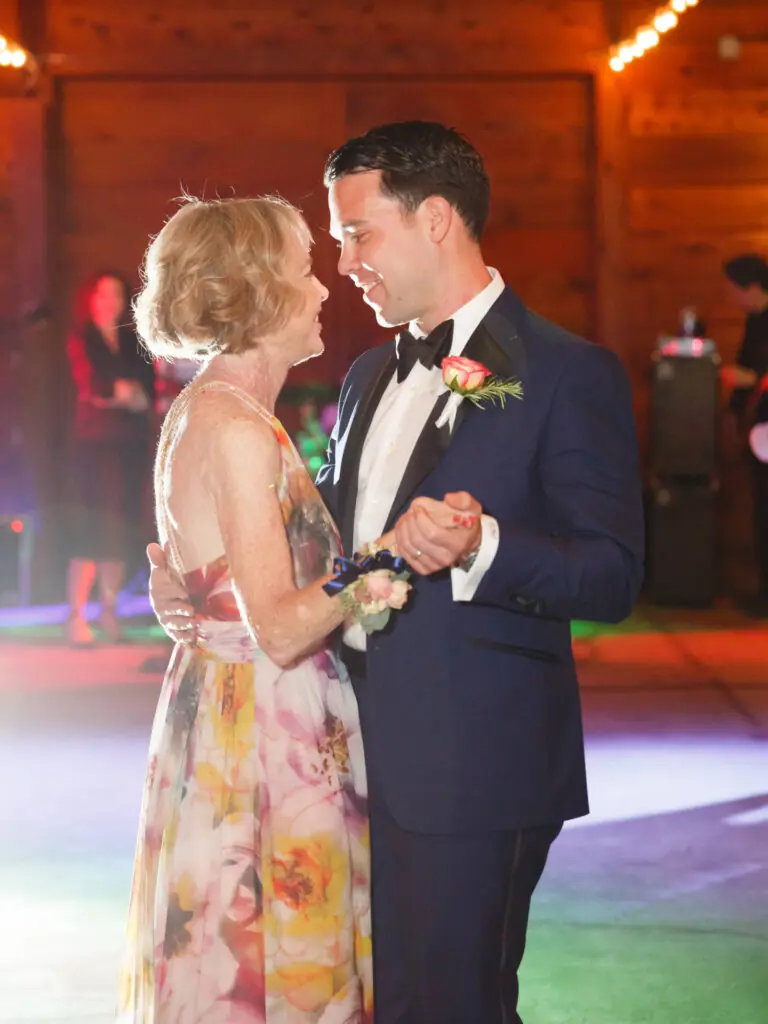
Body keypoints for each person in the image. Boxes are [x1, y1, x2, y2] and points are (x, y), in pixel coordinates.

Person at [149, 123, 645, 1023]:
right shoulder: (367, 376)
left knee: (449, 1004)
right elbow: (320, 546)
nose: (343, 263)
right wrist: (199, 576)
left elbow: (611, 574)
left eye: (357, 233)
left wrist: (482, 543)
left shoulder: (569, 373)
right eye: (334, 242)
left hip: (469, 768)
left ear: (438, 220)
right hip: (330, 759)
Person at [118, 195, 424, 1022]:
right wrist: (395, 553)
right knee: (272, 964)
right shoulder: (238, 430)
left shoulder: (210, 413)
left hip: (229, 714)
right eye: (302, 270)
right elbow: (282, 627)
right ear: (257, 291)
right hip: (263, 736)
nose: (324, 289)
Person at [66, 271, 154, 645]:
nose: (110, 301)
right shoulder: (81, 338)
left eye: (117, 295)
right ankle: (76, 616)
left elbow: (146, 390)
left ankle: (109, 612)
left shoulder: (134, 341)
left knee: (118, 527)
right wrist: (121, 393)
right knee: (89, 528)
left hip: (128, 444)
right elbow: (93, 386)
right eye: (103, 295)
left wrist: (127, 393)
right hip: (93, 443)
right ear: (91, 299)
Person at [721, 254, 768, 615]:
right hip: (759, 426)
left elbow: (754, 373)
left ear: (751, 287)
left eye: (733, 290)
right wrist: (734, 411)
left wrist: (751, 381)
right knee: (761, 505)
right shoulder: (755, 322)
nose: (730, 298)